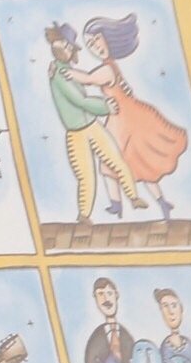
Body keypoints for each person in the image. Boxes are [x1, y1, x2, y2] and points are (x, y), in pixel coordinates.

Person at [76, 14, 185, 219]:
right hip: (121, 119)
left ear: (108, 38)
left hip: (126, 120)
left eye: (96, 39)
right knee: (117, 164)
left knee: (127, 163)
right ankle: (123, 204)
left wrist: (68, 73)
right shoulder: (110, 66)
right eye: (89, 44)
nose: (95, 46)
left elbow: (89, 79)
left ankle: (152, 203)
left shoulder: (108, 68)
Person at [43, 22, 143, 226]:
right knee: (86, 175)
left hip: (90, 125)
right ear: (58, 48)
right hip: (77, 132)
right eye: (65, 47)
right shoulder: (60, 75)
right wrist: (105, 106)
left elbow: (86, 85)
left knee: (115, 159)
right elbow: (80, 101)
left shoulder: (66, 70)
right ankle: (84, 215)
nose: (69, 50)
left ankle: (133, 197)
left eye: (70, 47)